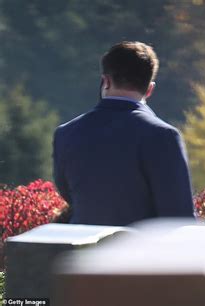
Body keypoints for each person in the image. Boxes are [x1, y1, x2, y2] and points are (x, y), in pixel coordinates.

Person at [53, 41, 194, 225]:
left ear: (106, 81)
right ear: (150, 89)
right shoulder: (163, 135)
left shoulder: (66, 133)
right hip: (140, 251)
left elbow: (68, 194)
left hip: (84, 250)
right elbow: (179, 216)